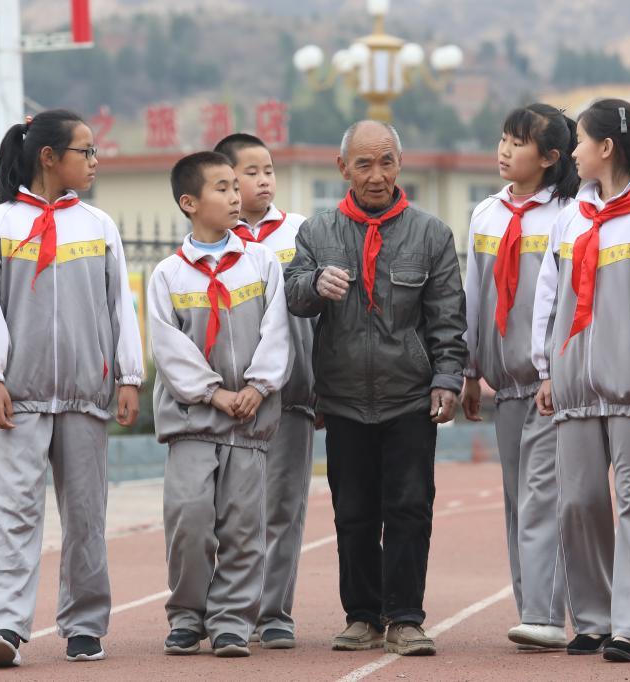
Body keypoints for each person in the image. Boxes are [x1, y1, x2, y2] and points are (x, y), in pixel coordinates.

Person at [284, 120, 467, 656]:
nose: (376, 174)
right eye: (363, 163)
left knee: (410, 507)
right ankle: (362, 616)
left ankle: (406, 617)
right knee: (354, 512)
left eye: (386, 161)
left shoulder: (431, 234)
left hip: (409, 396)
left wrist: (447, 378)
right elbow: (292, 294)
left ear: (399, 164)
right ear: (343, 168)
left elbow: (448, 320)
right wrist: (315, 285)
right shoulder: (316, 232)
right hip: (343, 399)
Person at [0, 108, 143, 667]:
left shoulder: (98, 226)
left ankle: (84, 625)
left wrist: (129, 375)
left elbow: (121, 306)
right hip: (18, 399)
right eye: (84, 151)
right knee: (12, 511)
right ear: (49, 157)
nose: (94, 161)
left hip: (85, 395)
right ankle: (4, 624)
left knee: (86, 516)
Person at [531, 98, 630, 663]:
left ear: (606, 147)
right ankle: (593, 620)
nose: (572, 151)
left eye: (579, 140)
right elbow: (548, 298)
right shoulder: (570, 219)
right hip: (573, 387)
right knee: (579, 503)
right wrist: (546, 368)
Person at [149, 151, 291, 658]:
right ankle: (188, 616)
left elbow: (277, 330)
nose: (236, 196)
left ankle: (232, 619)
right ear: (189, 202)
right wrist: (214, 392)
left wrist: (258, 386)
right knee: (189, 520)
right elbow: (168, 348)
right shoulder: (168, 274)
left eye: (237, 186)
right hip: (193, 421)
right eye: (223, 188)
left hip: (249, 421)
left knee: (243, 526)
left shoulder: (261, 263)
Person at [461, 103, 578, 650]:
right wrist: (468, 371)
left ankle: (546, 613)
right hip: (503, 383)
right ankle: (531, 606)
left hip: (551, 383)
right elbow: (473, 295)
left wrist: (559, 367)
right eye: (503, 138)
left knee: (541, 496)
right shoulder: (486, 215)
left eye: (518, 142)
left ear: (550, 157)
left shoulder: (569, 216)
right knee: (516, 499)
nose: (505, 150)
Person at [214, 132, 316, 650]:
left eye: (268, 171)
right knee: (229, 510)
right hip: (228, 403)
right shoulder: (212, 242)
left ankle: (274, 611)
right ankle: (226, 607)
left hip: (291, 396)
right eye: (249, 173)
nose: (262, 182)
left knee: (283, 507)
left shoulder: (300, 232)